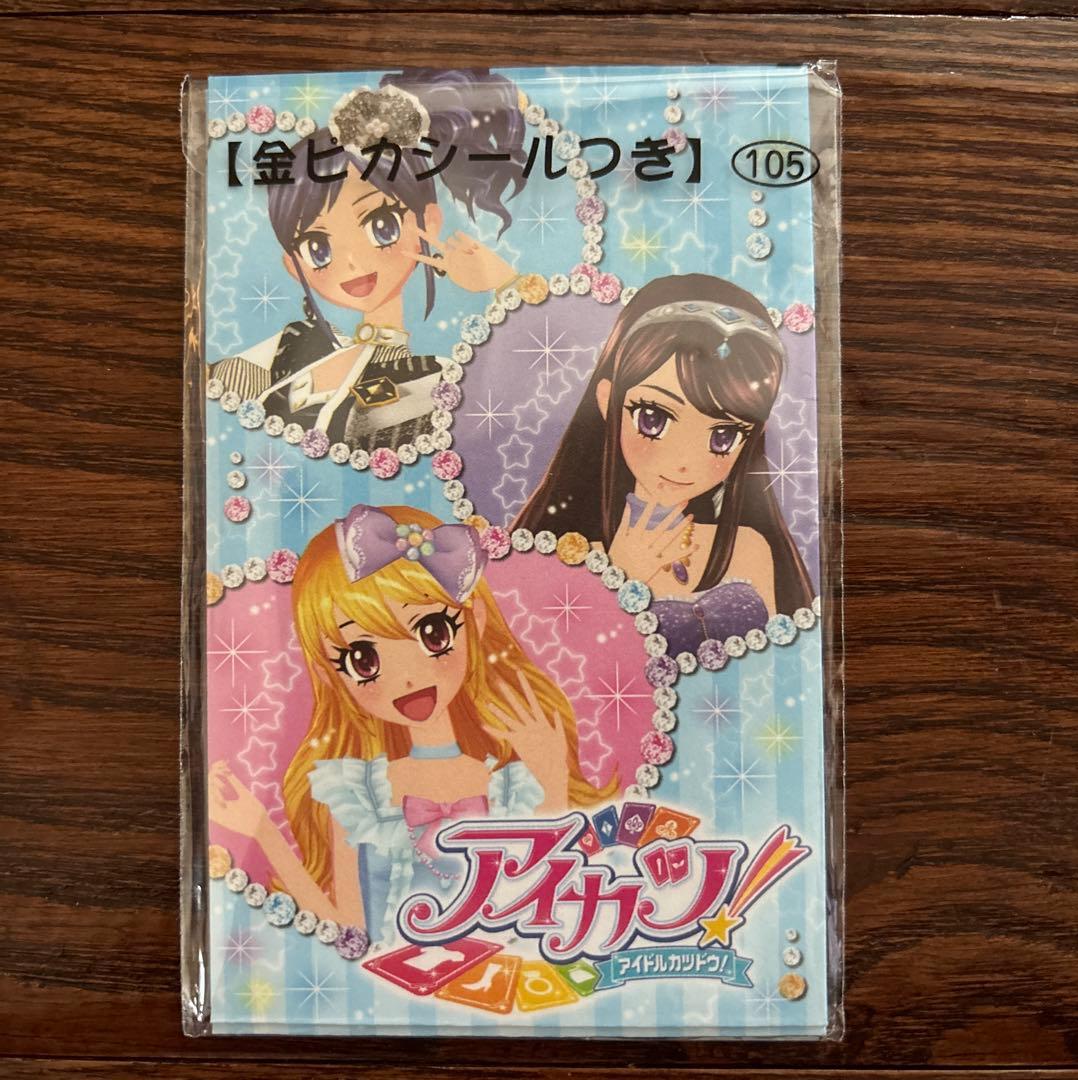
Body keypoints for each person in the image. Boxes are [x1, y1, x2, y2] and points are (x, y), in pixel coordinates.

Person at [209, 504, 616, 942]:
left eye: (433, 633)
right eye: (362, 659)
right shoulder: (357, 792)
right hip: (388, 978)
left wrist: (552, 784)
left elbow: (552, 903)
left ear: (475, 620)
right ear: (330, 673)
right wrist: (262, 832)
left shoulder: (513, 780)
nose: (406, 677)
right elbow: (347, 928)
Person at [211, 69, 527, 450]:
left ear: (428, 222)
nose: (353, 264)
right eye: (317, 247)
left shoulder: (431, 378)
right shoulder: (291, 345)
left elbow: (534, 401)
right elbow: (213, 403)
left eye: (382, 226)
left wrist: (508, 284)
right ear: (293, 265)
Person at [514, 274, 814, 656]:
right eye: (652, 418)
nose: (684, 461)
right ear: (608, 402)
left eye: (723, 436)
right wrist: (619, 574)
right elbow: (546, 666)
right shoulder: (569, 556)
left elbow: (775, 666)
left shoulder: (748, 549)